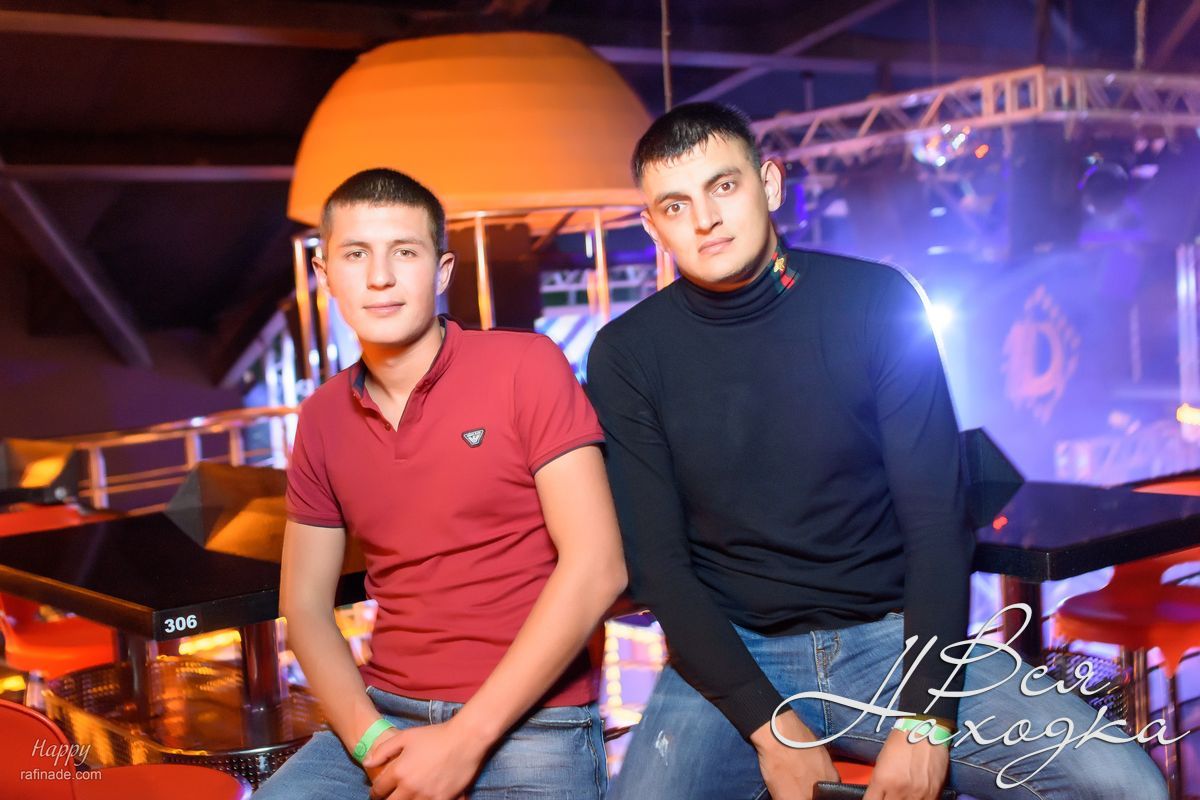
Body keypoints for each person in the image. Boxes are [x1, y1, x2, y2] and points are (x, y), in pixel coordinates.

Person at [585, 103, 1167, 800]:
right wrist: (769, 729)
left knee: (1123, 784)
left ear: (769, 185)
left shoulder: (874, 302)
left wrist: (926, 719)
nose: (705, 219)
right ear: (653, 227)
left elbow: (937, 524)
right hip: (734, 656)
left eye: (724, 186)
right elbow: (660, 568)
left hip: (890, 642)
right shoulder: (628, 355)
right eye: (676, 205)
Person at [255, 168, 626, 800]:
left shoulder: (525, 365)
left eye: (405, 252)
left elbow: (598, 566)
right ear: (325, 275)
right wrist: (372, 743)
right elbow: (306, 606)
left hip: (535, 720)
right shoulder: (320, 418)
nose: (380, 277)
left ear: (442, 271)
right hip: (385, 713)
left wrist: (464, 740)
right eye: (356, 254)